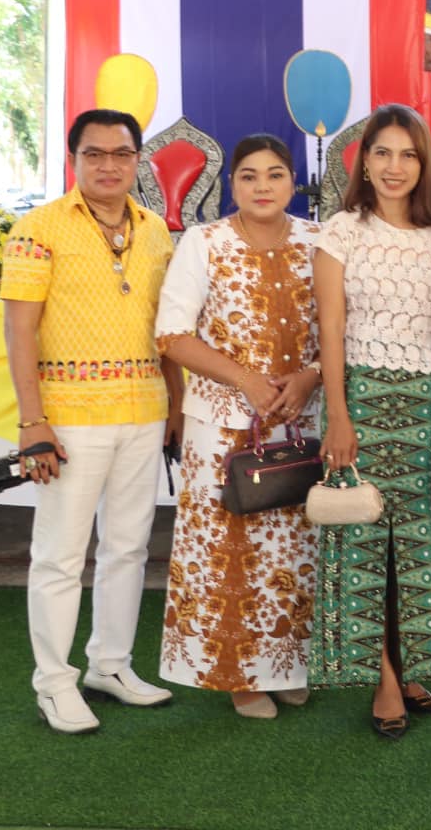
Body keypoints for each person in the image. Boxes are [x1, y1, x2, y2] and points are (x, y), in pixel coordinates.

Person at [2, 108, 181, 734]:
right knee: (59, 554)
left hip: (144, 412)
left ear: (138, 159)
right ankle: (53, 683)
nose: (109, 165)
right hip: (67, 419)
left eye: (122, 153)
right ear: (73, 158)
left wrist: (175, 407)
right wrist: (32, 425)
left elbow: (169, 329)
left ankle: (110, 663)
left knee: (129, 547)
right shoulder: (37, 229)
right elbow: (18, 330)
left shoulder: (157, 230)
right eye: (95, 154)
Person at [312, 103, 431, 739]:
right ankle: (381, 676)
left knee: (414, 541)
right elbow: (328, 328)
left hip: (428, 402)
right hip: (362, 399)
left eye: (408, 154)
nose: (394, 166)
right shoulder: (341, 231)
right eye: (382, 153)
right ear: (364, 161)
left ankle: (407, 665)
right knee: (362, 537)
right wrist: (339, 414)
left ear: (423, 164)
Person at [156, 134, 324, 718]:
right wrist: (246, 381)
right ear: (232, 184)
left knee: (292, 547)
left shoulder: (316, 240)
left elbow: (339, 331)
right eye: (248, 175)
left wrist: (310, 376)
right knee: (229, 551)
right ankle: (237, 674)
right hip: (222, 425)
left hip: (296, 421)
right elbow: (172, 336)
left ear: (292, 182)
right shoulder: (204, 243)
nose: (262, 186)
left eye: (275, 174)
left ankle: (286, 665)